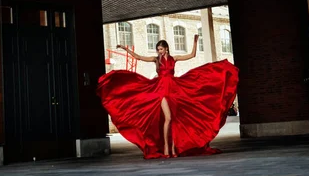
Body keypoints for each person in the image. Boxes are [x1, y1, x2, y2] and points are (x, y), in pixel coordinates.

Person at [97, 35, 239, 159]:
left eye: (161, 49)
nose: (159, 51)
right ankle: (166, 148)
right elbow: (138, 57)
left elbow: (191, 55)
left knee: (175, 119)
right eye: (158, 49)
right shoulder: (155, 60)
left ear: (166, 49)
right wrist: (124, 48)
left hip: (175, 90)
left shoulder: (173, 58)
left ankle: (173, 149)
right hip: (160, 90)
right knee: (168, 118)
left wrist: (195, 41)